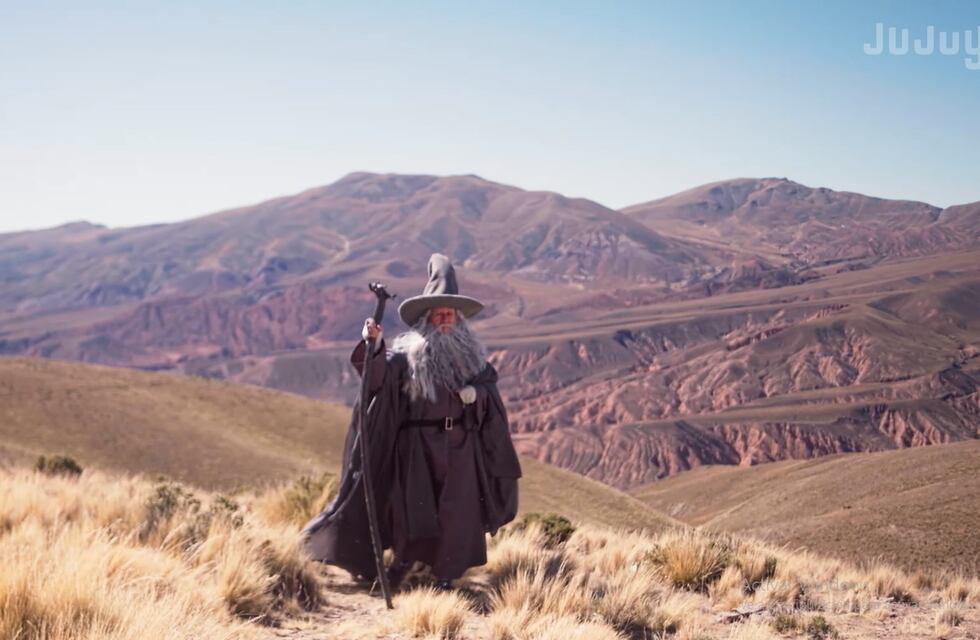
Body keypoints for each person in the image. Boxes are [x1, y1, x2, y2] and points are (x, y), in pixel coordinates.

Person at [302, 253, 522, 592]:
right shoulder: (406, 358)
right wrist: (372, 344)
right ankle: (402, 565)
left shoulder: (474, 360)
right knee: (411, 510)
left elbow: (489, 392)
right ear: (427, 317)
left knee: (456, 513)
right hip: (417, 447)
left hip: (462, 447)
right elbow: (376, 379)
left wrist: (476, 395)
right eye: (439, 312)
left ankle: (446, 576)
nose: (445, 318)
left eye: (451, 312)